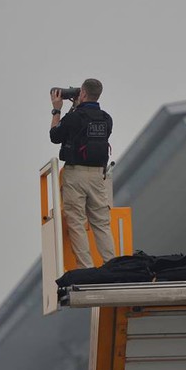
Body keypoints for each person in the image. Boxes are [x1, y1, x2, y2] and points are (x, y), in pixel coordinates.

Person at [49, 78, 115, 269]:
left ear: (83, 94)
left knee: (77, 222)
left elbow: (55, 135)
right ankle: (111, 265)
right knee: (101, 223)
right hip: (97, 176)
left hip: (75, 175)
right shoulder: (106, 118)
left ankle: (86, 268)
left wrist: (57, 109)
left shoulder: (74, 117)